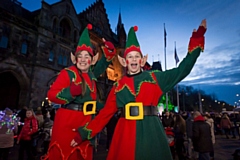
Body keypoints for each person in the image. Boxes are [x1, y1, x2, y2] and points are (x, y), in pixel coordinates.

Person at [70, 19, 207, 160]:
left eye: (137, 56)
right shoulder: (118, 86)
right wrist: (84, 133)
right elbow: (104, 115)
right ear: (124, 61)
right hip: (125, 135)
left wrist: (196, 45)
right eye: (130, 56)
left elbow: (181, 70)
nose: (133, 59)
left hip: (151, 132)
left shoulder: (155, 78)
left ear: (142, 60)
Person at [44, 24, 116, 160]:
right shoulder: (68, 73)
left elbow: (105, 63)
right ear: (75, 58)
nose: (83, 59)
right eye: (80, 56)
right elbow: (52, 95)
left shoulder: (91, 74)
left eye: (87, 56)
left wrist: (110, 50)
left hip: (86, 122)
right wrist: (70, 92)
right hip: (67, 122)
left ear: (92, 60)